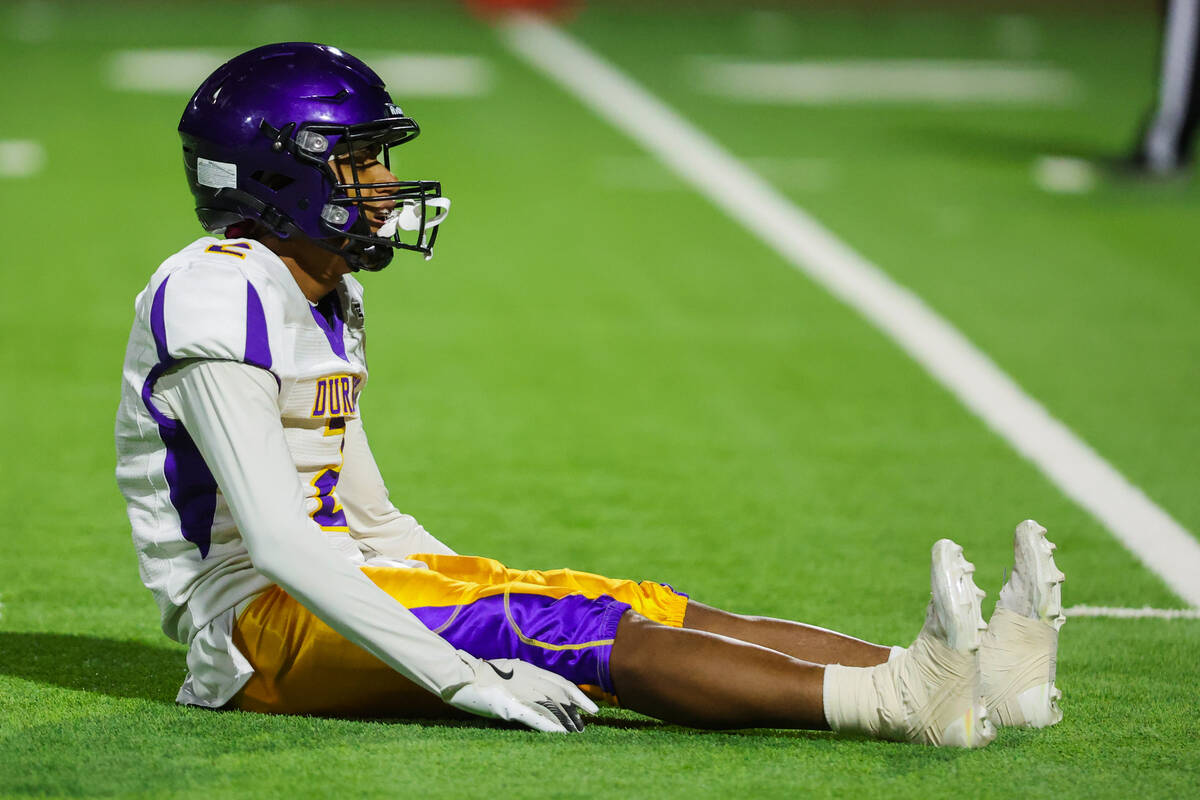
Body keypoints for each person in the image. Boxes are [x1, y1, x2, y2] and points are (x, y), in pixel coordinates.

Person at [114, 42, 1065, 746]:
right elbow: (278, 544)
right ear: (286, 170)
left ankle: (973, 683)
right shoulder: (216, 290)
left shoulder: (324, 292)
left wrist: (485, 590)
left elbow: (366, 517)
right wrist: (463, 675)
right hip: (253, 631)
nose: (386, 184)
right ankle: (898, 703)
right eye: (359, 160)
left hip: (332, 590)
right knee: (578, 629)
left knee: (612, 599)